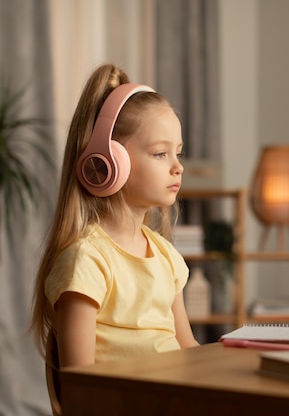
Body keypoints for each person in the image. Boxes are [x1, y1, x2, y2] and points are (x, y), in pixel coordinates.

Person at [30, 64, 199, 367]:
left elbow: (190, 351)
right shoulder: (87, 260)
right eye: (161, 153)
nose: (178, 167)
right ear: (109, 161)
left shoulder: (166, 258)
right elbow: (80, 380)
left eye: (179, 153)